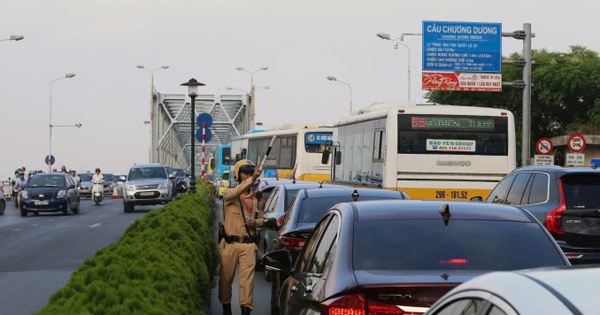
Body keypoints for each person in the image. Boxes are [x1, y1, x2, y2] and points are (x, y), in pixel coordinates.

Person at [219, 159, 263, 315]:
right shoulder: (230, 194)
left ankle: (246, 310)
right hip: (230, 244)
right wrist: (253, 179)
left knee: (247, 282)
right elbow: (236, 192)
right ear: (238, 175)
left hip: (248, 245)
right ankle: (226, 309)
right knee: (225, 280)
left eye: (251, 173)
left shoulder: (256, 197)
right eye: (246, 173)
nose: (249, 176)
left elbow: (262, 218)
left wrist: (256, 222)